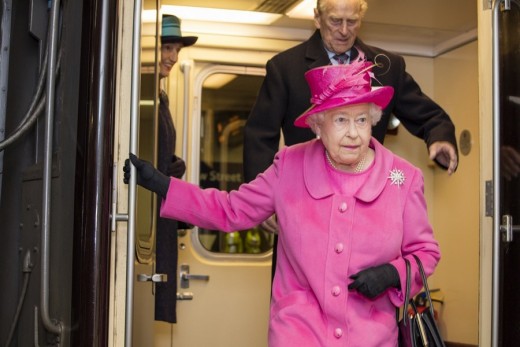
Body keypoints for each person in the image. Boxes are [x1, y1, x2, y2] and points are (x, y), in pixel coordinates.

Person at [124, 61, 441, 346]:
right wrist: (161, 184)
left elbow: (425, 253)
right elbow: (231, 210)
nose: (353, 133)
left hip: (372, 338)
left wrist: (392, 273)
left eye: (362, 120)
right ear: (318, 125)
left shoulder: (403, 178)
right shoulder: (290, 165)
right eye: (341, 120)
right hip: (297, 333)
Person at [243, 0, 457, 279]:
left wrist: (439, 137)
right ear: (317, 18)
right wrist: (264, 202)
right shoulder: (285, 67)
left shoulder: (386, 67)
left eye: (352, 22)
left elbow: (427, 114)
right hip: (304, 203)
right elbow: (260, 133)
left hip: (367, 206)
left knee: (366, 295)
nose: (344, 30)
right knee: (300, 295)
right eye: (335, 21)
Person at [154, 14, 197, 324]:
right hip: (151, 212)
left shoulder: (160, 97)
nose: (172, 57)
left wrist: (171, 165)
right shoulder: (144, 96)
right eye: (166, 47)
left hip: (161, 205)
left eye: (176, 49)